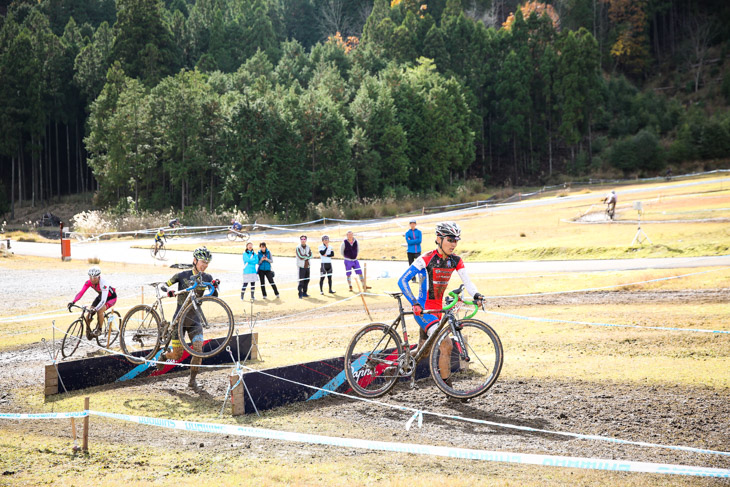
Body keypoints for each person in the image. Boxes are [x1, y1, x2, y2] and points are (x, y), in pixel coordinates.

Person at [397, 222, 485, 391]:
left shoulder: (455, 260)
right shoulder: (425, 259)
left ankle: (392, 368)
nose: (454, 244)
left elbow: (467, 281)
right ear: (439, 239)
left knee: (423, 353)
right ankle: (449, 391)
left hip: (438, 311)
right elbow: (402, 280)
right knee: (446, 344)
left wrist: (476, 295)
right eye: (450, 239)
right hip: (424, 311)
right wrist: (414, 302)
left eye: (456, 240)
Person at [158, 247, 217, 389]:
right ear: (195, 261)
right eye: (203, 262)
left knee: (198, 351)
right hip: (179, 321)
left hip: (195, 320)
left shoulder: (207, 277)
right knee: (178, 355)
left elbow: (215, 296)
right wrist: (169, 290)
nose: (205, 265)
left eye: (207, 263)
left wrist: (215, 286)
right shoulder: (182, 275)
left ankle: (192, 381)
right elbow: (164, 285)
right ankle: (165, 356)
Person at [68, 266, 118, 340]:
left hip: (110, 298)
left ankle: (99, 329)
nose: (92, 279)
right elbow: (81, 293)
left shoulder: (104, 284)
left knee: (100, 310)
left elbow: (103, 301)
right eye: (90, 277)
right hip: (101, 296)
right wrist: (73, 301)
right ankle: (88, 331)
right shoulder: (88, 282)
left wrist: (96, 309)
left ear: (98, 277)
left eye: (94, 277)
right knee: (89, 315)